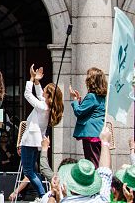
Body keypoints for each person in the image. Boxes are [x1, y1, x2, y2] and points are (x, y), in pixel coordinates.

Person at [20, 64, 63, 200]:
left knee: (28, 171)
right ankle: (43, 194)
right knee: (32, 171)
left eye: (45, 90)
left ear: (49, 95)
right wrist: (37, 81)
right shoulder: (47, 106)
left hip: (30, 140)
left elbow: (28, 94)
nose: (42, 91)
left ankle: (42, 195)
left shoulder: (42, 106)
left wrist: (31, 79)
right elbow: (39, 95)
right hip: (36, 141)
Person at [70, 67, 107, 166]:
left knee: (93, 164)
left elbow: (79, 112)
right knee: (98, 162)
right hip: (98, 133)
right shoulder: (102, 96)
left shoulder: (91, 96)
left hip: (91, 134)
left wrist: (74, 100)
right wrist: (79, 101)